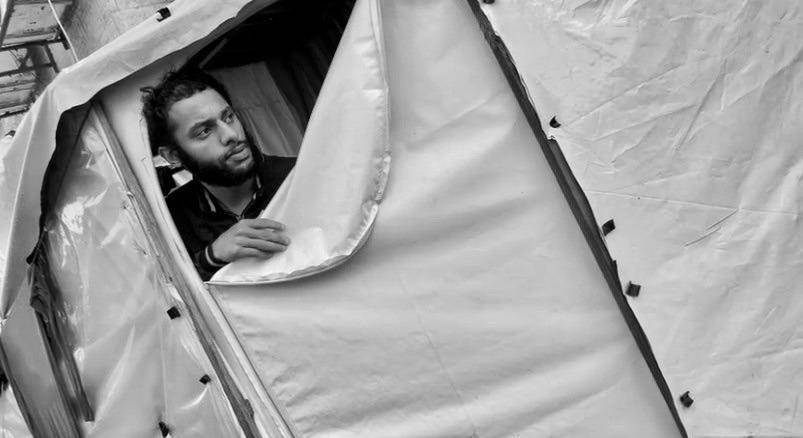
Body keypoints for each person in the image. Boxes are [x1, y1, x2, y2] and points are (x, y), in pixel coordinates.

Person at [141, 69, 295, 280]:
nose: (231, 135)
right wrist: (211, 257)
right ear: (173, 156)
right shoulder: (169, 221)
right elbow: (163, 289)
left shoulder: (298, 175)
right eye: (204, 131)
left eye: (229, 117)